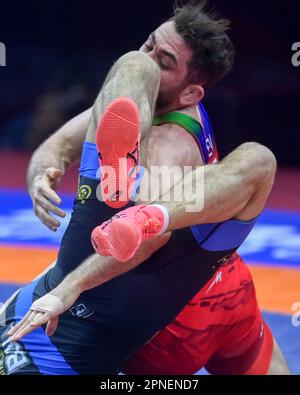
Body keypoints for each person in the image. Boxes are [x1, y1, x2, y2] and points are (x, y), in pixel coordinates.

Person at [0, 2, 289, 375]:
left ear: (191, 94)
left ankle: (123, 186)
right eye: (149, 44)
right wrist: (42, 173)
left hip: (173, 326)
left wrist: (66, 287)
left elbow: (146, 242)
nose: (149, 60)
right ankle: (122, 180)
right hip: (229, 286)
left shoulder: (171, 144)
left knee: (129, 70)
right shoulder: (145, 106)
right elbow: (59, 144)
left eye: (164, 61)